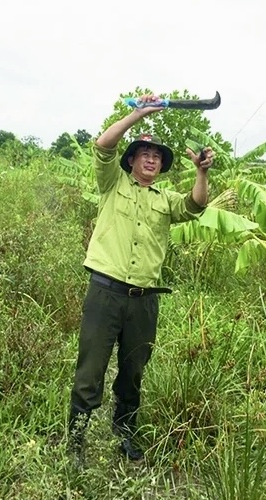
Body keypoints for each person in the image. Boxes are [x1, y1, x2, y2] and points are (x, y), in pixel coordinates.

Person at [67, 93, 215, 465]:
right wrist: (137, 115)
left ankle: (125, 432)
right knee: (90, 372)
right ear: (131, 160)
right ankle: (76, 443)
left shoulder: (165, 200)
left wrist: (202, 171)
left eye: (157, 157)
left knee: (133, 374)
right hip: (105, 292)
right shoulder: (112, 182)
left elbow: (196, 205)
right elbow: (103, 145)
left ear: (161, 166)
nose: (151, 159)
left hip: (144, 300)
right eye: (144, 154)